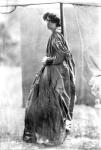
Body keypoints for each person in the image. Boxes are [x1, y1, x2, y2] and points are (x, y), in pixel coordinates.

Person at [23, 12, 76, 145]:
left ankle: (54, 136)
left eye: (49, 22)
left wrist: (48, 60)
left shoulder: (56, 36)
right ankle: (46, 135)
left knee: (54, 102)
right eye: (46, 21)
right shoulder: (54, 35)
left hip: (56, 72)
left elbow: (60, 57)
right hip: (51, 72)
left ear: (55, 23)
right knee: (43, 102)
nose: (47, 24)